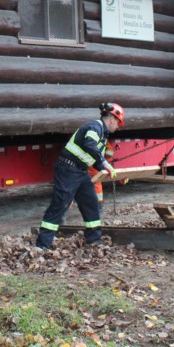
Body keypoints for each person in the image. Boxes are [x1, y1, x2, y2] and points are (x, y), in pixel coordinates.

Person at [34, 103, 123, 250]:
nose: (118, 127)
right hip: (68, 169)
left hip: (81, 172)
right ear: (112, 119)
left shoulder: (101, 133)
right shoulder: (94, 127)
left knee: (91, 203)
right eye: (118, 123)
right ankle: (42, 244)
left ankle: (94, 239)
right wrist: (104, 163)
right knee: (60, 205)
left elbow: (92, 156)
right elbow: (89, 145)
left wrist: (103, 168)